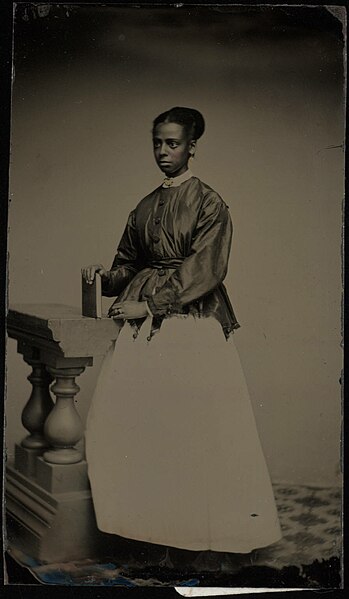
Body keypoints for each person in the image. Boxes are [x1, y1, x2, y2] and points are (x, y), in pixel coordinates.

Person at [82, 106, 281, 572]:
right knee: (146, 429)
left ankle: (209, 537)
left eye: (173, 143)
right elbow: (130, 261)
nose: (163, 152)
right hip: (142, 326)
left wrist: (151, 305)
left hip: (190, 321)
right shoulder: (144, 205)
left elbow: (206, 268)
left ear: (192, 146)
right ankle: (158, 533)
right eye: (157, 142)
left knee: (196, 431)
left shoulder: (211, 203)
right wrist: (106, 276)